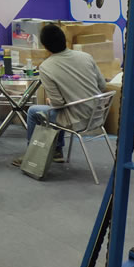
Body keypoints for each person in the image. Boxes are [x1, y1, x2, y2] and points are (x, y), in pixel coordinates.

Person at [12, 23, 108, 167]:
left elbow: (58, 103)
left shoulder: (46, 67)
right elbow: (103, 86)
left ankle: (32, 154)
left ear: (45, 46)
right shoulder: (86, 56)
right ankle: (56, 151)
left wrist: (52, 100)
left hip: (77, 120)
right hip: (98, 115)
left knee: (33, 111)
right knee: (59, 110)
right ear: (64, 39)